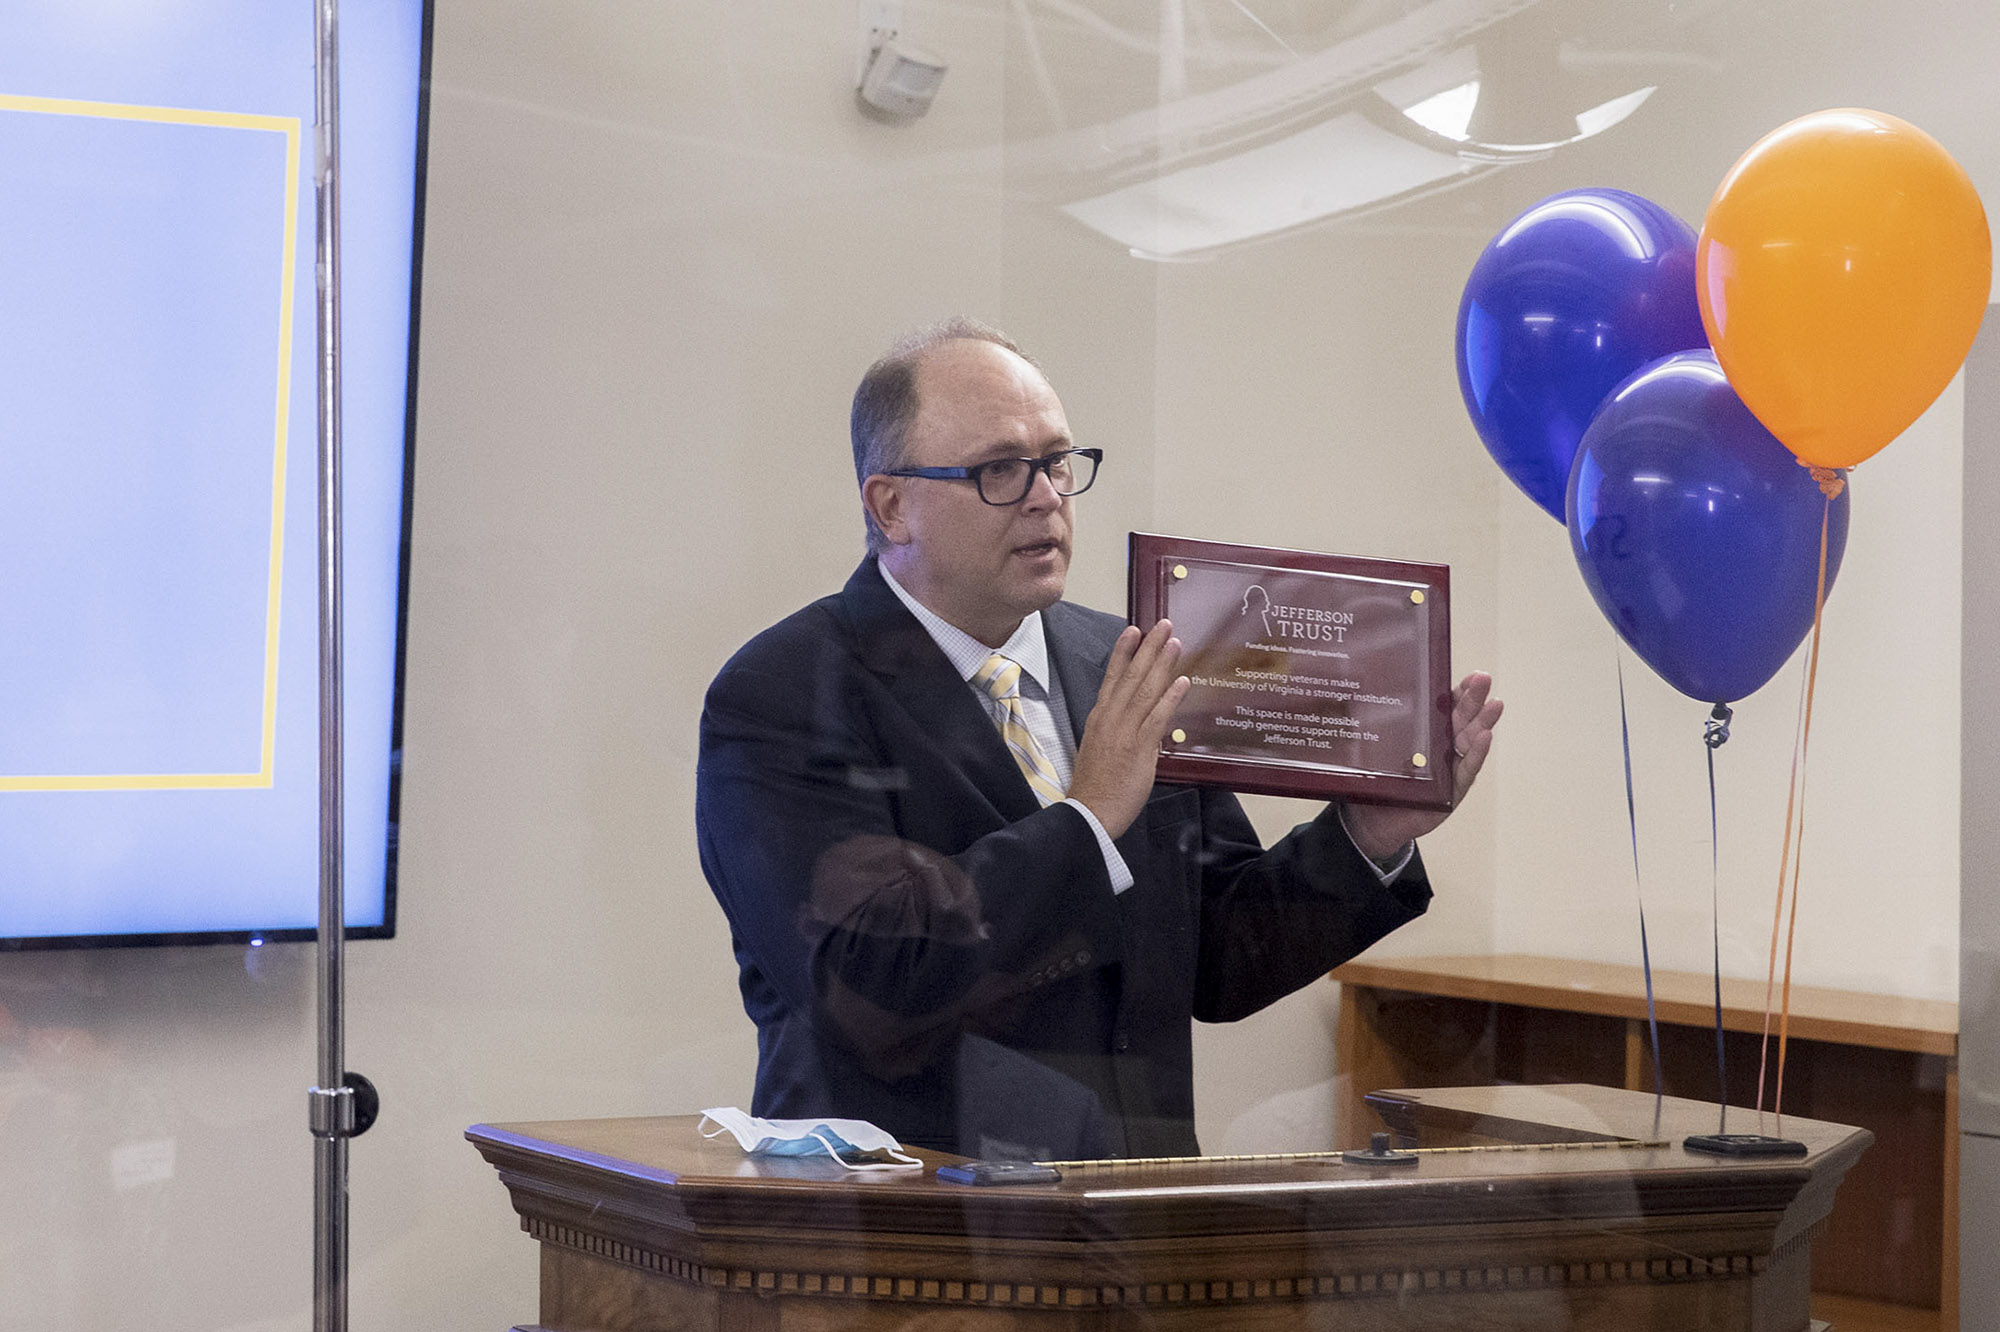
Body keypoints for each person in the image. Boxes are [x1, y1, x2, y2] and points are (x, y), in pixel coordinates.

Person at [696, 318, 1501, 1160]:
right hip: (911, 1227)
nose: (1045, 495)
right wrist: (1085, 822)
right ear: (892, 506)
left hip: (1132, 1217)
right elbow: (865, 984)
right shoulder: (785, 692)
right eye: (1000, 469)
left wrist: (1366, 838)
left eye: (1056, 461)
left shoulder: (1125, 659)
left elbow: (1218, 959)